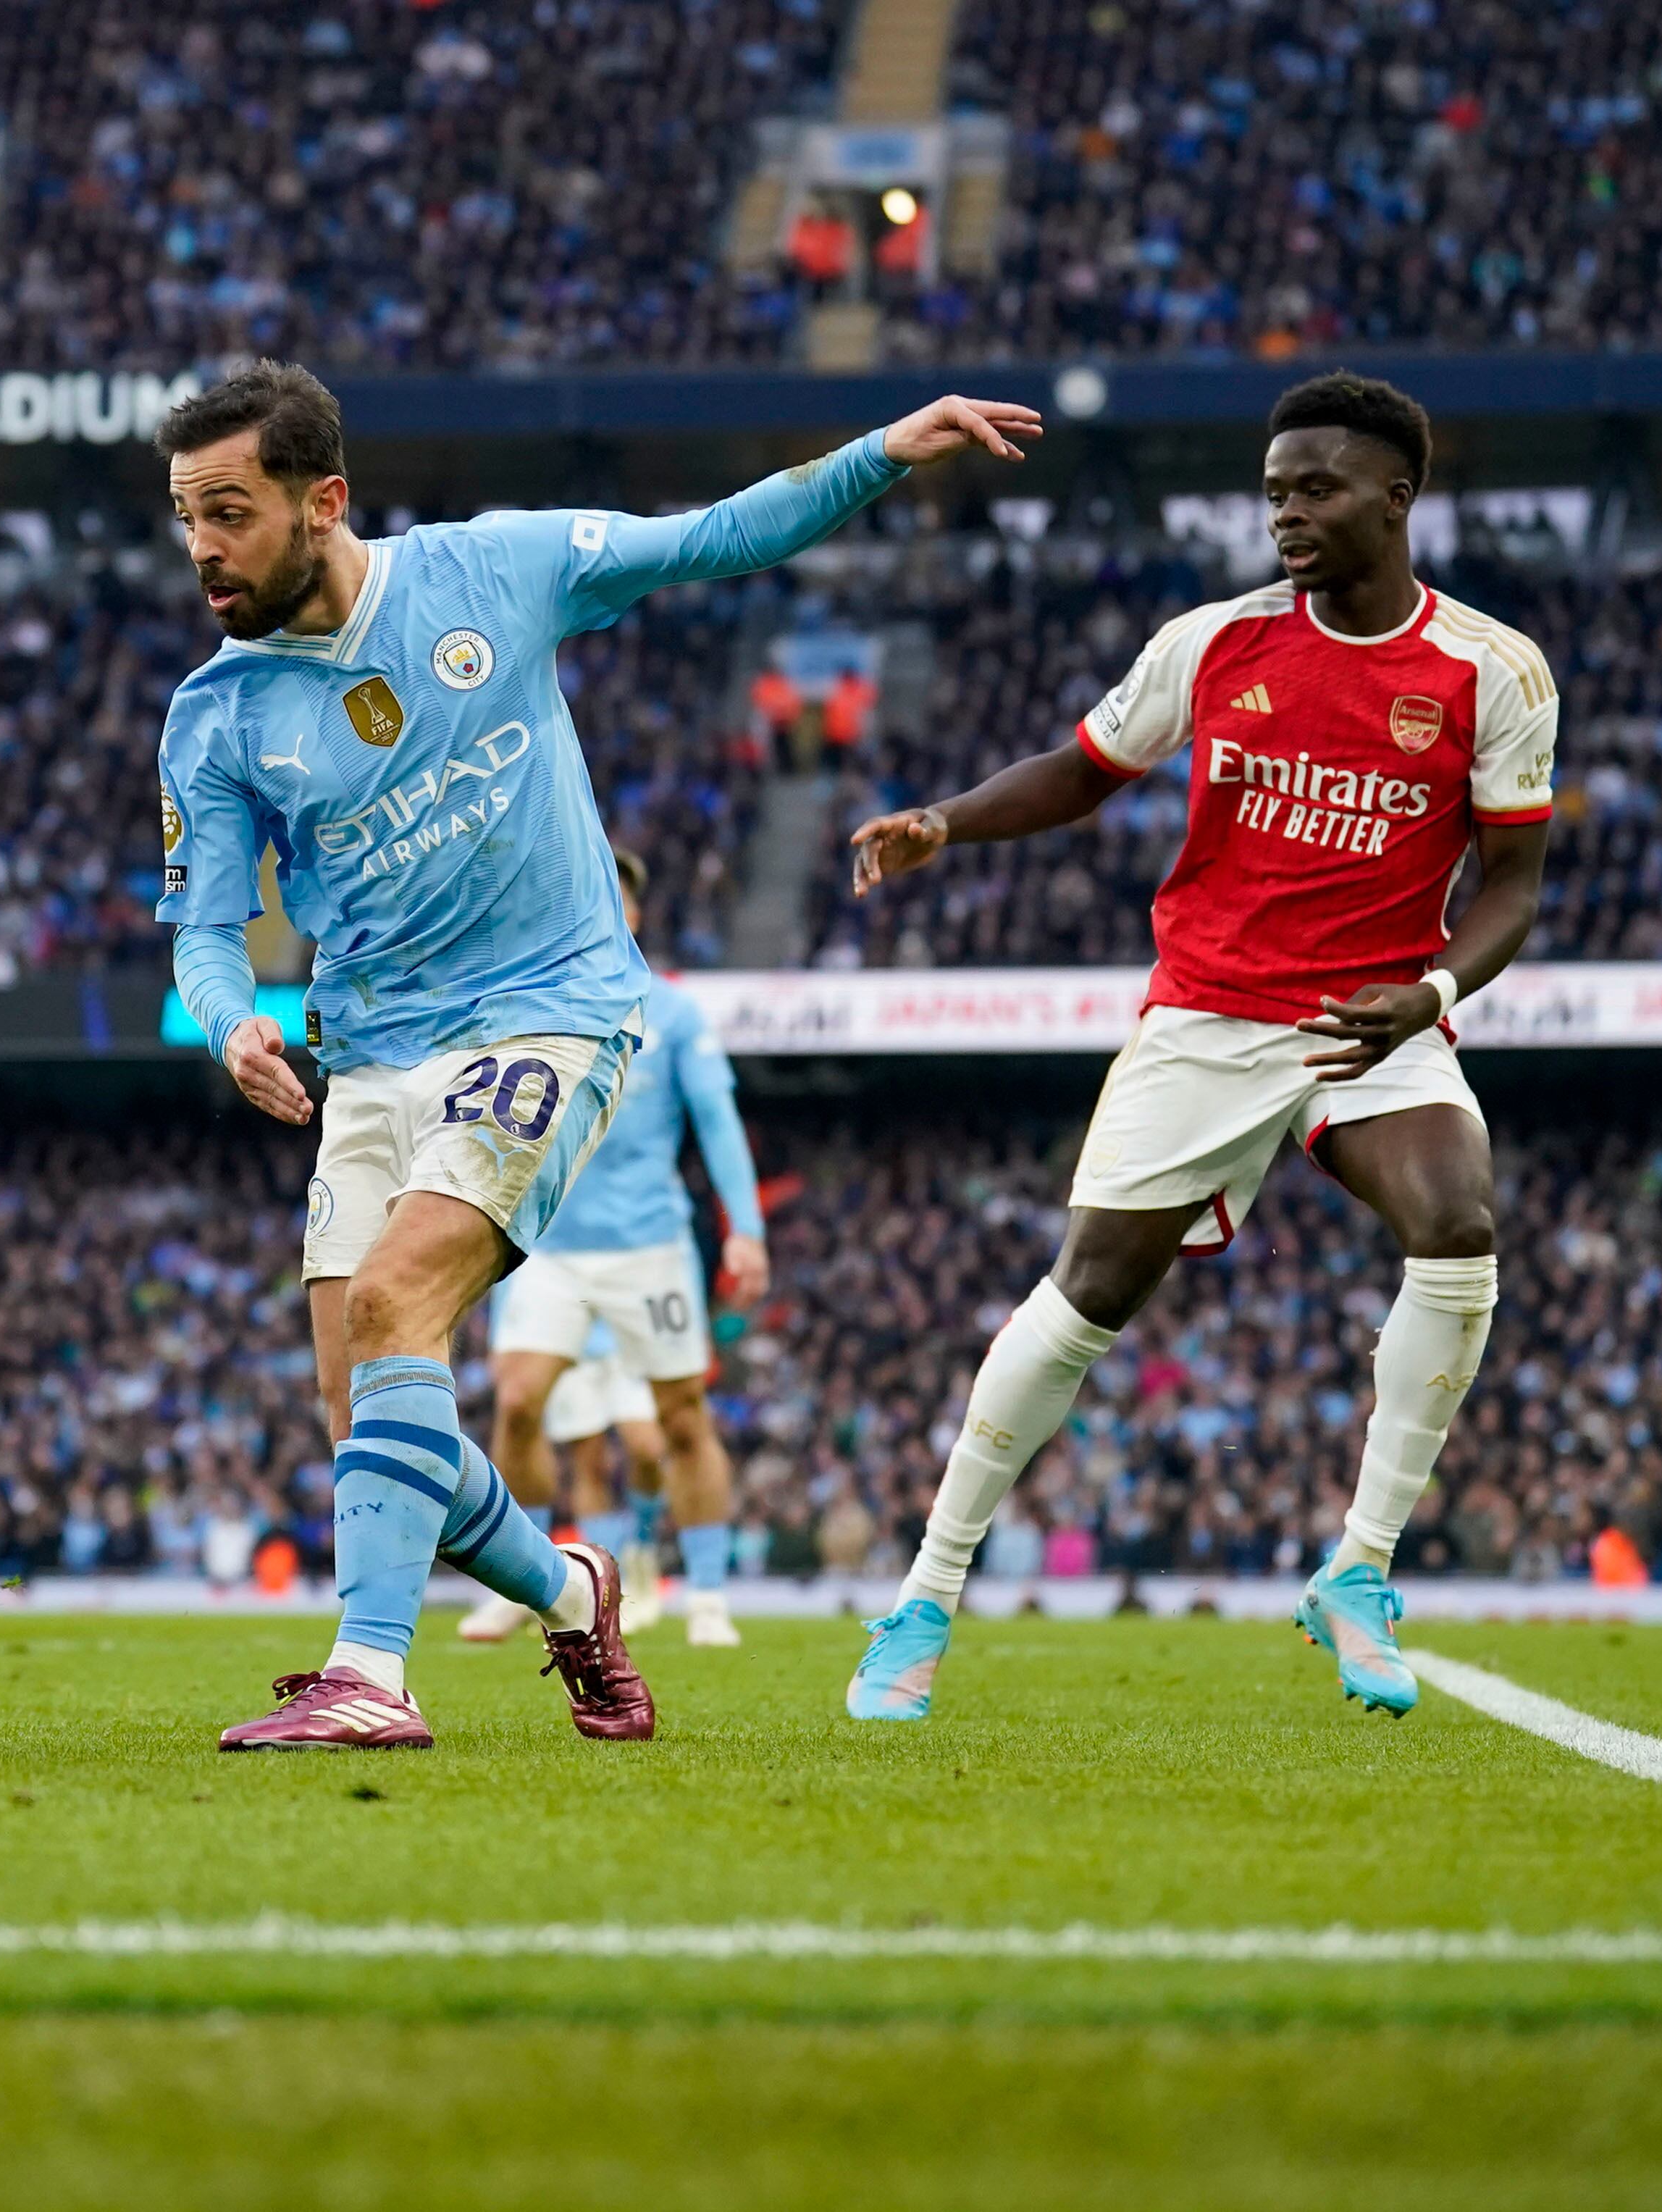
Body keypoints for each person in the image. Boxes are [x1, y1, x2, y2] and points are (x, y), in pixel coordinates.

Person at [160, 356, 1038, 1749]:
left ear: (323, 501)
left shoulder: (490, 571)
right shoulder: (215, 712)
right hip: (373, 1051)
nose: (202, 547)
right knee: (367, 1421)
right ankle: (572, 1586)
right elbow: (204, 930)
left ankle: (369, 1671)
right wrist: (231, 1020)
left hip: (544, 1011)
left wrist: (886, 448)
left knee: (398, 1308)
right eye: (187, 517)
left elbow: (711, 538)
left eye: (229, 512)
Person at [842, 371, 1553, 1722]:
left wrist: (1437, 988)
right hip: (1211, 1013)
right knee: (1088, 1295)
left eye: (1318, 487)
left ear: (1396, 497)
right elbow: (1082, 769)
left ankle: (1358, 1568)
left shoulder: (1491, 667)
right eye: (1276, 488)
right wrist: (948, 818)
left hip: (1372, 1017)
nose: (1287, 510)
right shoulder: (1214, 642)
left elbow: (1514, 881)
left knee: (1459, 1223)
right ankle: (924, 1596)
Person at [472, 850, 769, 1648]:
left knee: (678, 1419)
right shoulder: (526, 1006)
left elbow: (717, 1125)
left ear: (632, 915)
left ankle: (707, 1595)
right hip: (546, 1247)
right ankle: (518, 1583)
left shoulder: (672, 1016)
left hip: (650, 1248)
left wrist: (746, 1227)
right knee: (519, 1403)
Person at [461, 1316, 667, 1642]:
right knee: (590, 1464)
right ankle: (602, 1593)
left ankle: (643, 1549)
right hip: (568, 1335)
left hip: (633, 1330)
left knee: (647, 1448)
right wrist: (503, 1335)